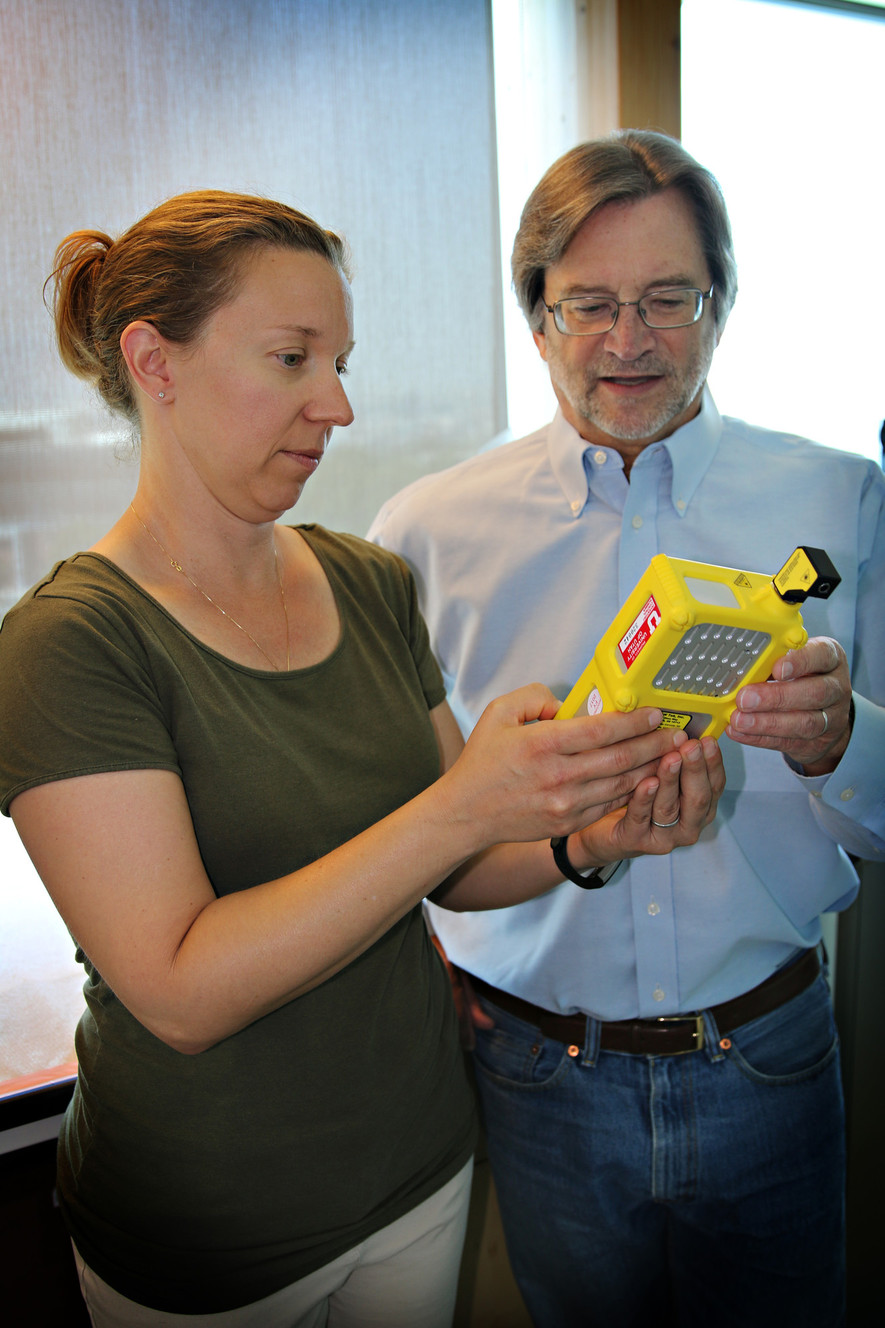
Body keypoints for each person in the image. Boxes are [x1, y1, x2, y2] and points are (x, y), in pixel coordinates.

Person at [0, 191, 723, 1328]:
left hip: (419, 1166)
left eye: (338, 360)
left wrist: (585, 838)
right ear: (155, 361)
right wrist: (461, 805)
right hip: (211, 1227)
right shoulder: (71, 642)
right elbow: (182, 988)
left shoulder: (366, 580)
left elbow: (459, 865)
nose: (335, 404)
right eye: (291, 358)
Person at [368, 131, 885, 1327]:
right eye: (588, 303)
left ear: (724, 302)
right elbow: (416, 835)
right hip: (538, 1071)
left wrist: (837, 735)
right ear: (535, 318)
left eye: (667, 298)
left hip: (770, 1053)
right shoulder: (426, 534)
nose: (629, 339)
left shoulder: (841, 497)